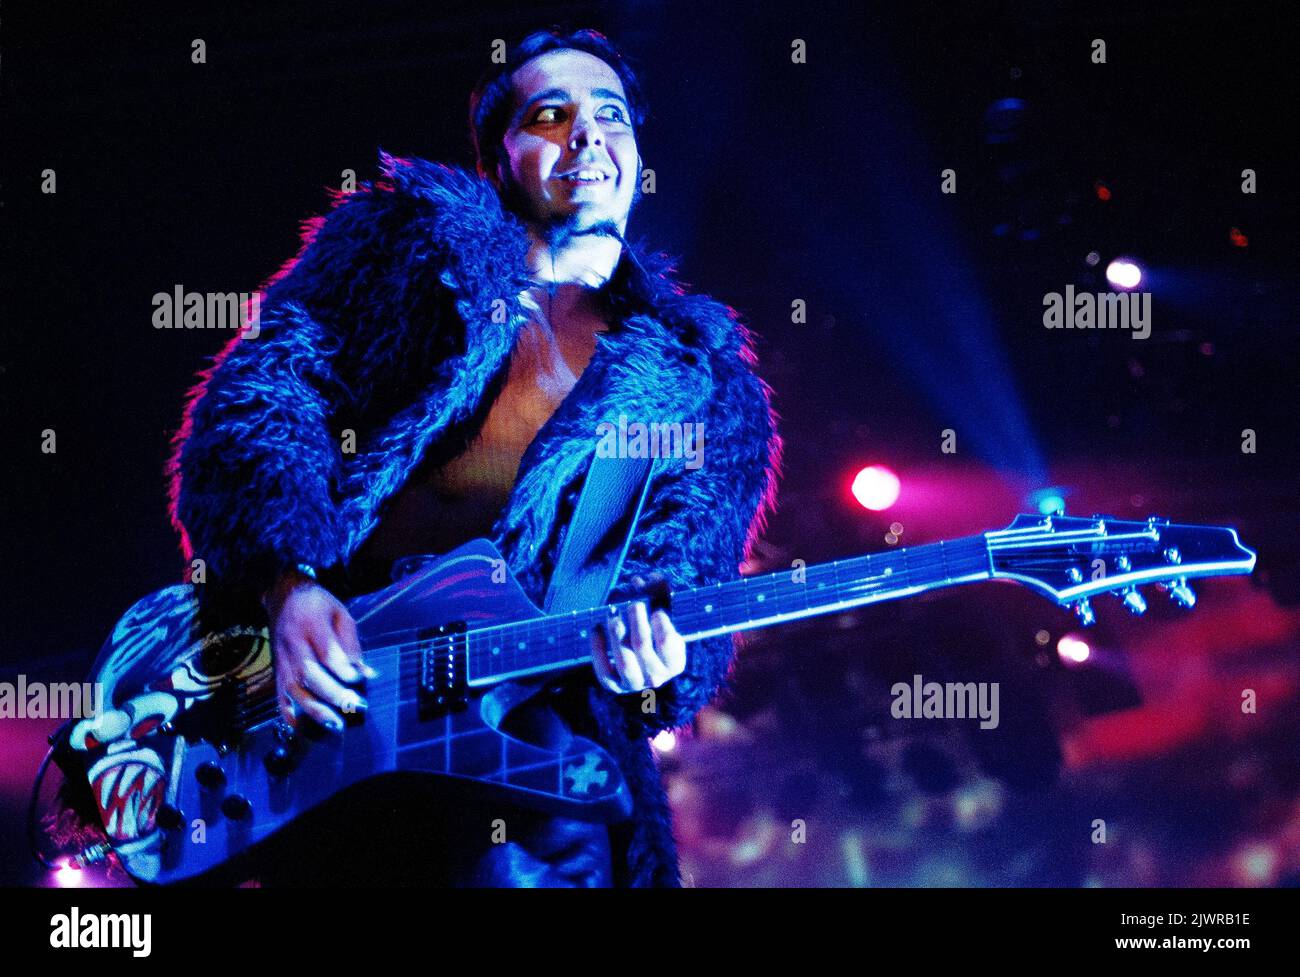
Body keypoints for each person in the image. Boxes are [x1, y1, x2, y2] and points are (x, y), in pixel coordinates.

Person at [167, 26, 781, 887]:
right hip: (338, 721)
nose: (588, 136)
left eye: (610, 115)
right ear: (499, 156)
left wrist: (658, 668)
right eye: (551, 114)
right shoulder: (400, 250)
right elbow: (261, 398)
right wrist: (287, 581)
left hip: (529, 774)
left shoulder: (703, 380)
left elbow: (684, 599)